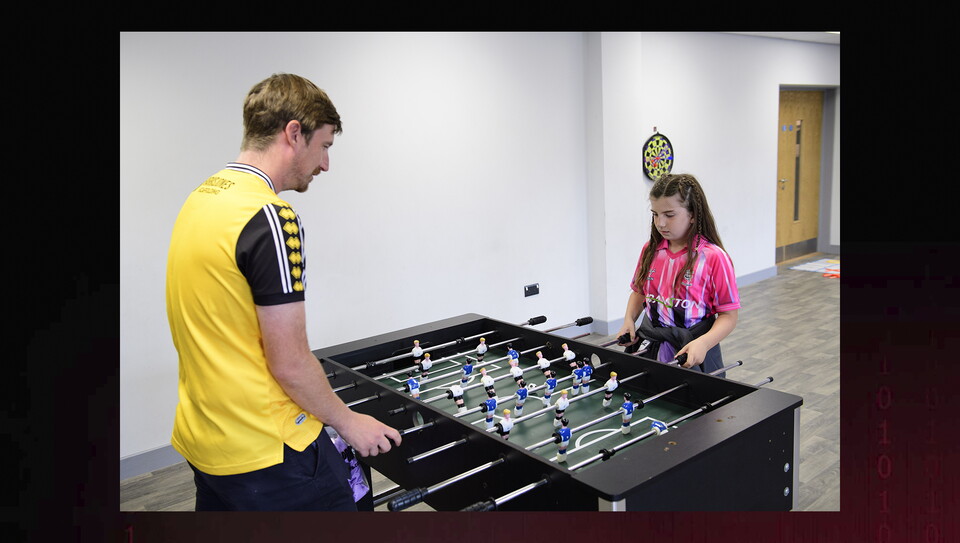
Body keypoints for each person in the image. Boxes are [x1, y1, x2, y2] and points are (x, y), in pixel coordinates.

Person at [166, 73, 401, 511]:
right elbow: (290, 361)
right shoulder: (271, 216)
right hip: (270, 450)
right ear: (294, 133)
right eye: (325, 145)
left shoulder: (201, 198)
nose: (325, 164)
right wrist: (349, 422)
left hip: (208, 443)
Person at [615, 173, 740, 378]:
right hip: (650, 346)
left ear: (693, 214)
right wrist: (629, 320)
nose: (660, 223)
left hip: (694, 349)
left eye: (669, 215)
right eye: (655, 214)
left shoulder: (714, 257)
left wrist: (704, 343)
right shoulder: (650, 250)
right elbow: (639, 292)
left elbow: (728, 316)